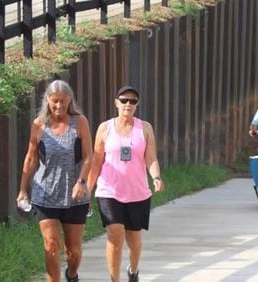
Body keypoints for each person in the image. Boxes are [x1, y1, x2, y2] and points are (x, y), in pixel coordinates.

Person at [17, 80, 93, 282]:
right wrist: (23, 190)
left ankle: (72, 274)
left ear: (70, 101)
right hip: (45, 194)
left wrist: (82, 182)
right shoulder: (39, 125)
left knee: (73, 251)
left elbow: (88, 156)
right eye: (55, 102)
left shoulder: (80, 122)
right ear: (47, 101)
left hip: (74, 196)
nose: (59, 106)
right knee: (51, 245)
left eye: (63, 102)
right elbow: (31, 158)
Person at [87, 85, 165, 282]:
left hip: (137, 192)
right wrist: (87, 191)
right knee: (115, 234)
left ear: (137, 105)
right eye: (124, 100)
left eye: (132, 101)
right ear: (116, 103)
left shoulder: (144, 128)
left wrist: (156, 177)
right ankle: (114, 279)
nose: (128, 104)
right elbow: (96, 162)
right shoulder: (105, 128)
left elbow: (151, 158)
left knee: (135, 241)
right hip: (109, 191)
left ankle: (133, 270)